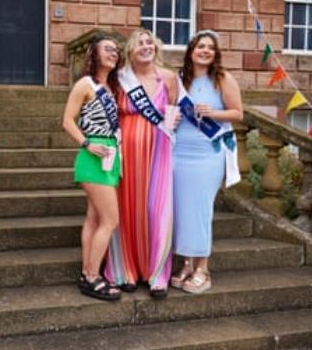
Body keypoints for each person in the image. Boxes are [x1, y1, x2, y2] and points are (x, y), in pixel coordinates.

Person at [104, 28, 179, 299]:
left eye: (149, 42)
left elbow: (175, 111)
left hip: (159, 151)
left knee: (156, 209)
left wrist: (175, 122)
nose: (146, 47)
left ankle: (157, 273)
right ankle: (124, 271)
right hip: (126, 153)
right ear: (130, 51)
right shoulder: (120, 79)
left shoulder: (168, 78)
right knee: (126, 209)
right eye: (139, 44)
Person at [171, 30, 243, 294]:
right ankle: (187, 264)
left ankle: (203, 268)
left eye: (210, 48)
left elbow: (238, 113)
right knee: (182, 210)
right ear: (191, 50)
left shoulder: (222, 79)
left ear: (216, 54)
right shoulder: (179, 80)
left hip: (208, 154)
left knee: (201, 210)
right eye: (200, 46)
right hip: (179, 153)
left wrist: (213, 112)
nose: (205, 51)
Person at [62, 37, 123, 301]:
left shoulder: (111, 86)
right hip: (93, 157)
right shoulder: (85, 84)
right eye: (108, 49)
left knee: (94, 219)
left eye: (116, 50)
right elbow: (67, 121)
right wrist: (87, 143)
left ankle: (87, 273)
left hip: (110, 155)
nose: (114, 53)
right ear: (94, 54)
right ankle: (93, 277)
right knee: (111, 221)